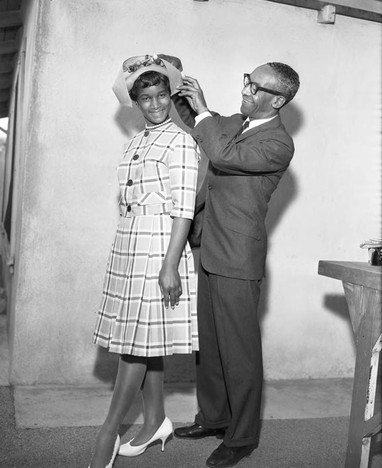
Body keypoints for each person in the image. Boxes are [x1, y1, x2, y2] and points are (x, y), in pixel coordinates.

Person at [173, 62, 300, 468]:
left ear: (277, 99)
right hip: (210, 248)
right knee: (209, 346)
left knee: (239, 352)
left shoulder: (278, 143)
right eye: (247, 78)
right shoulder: (233, 122)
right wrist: (173, 77)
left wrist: (206, 112)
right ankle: (214, 418)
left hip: (238, 258)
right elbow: (197, 119)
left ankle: (242, 436)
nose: (245, 87)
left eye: (255, 84)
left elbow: (222, 154)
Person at [89, 54, 200, 468]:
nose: (155, 104)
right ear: (135, 102)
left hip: (160, 245)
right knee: (141, 339)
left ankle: (109, 432)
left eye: (161, 95)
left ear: (171, 95)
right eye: (146, 98)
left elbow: (184, 209)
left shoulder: (181, 140)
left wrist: (170, 264)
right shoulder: (135, 141)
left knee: (134, 345)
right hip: (130, 242)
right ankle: (155, 419)